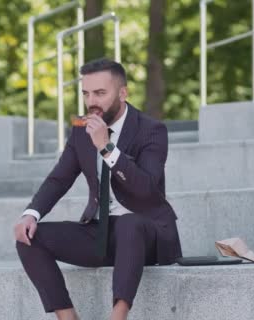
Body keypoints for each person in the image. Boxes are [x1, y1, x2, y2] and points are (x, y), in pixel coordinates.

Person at [14, 58, 182, 320]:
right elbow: (59, 179)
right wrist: (31, 214)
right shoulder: (82, 130)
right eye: (86, 93)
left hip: (148, 234)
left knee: (129, 224)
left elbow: (148, 188)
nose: (92, 101)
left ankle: (118, 315)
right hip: (103, 233)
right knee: (27, 237)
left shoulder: (151, 130)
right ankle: (67, 317)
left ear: (122, 93)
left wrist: (107, 148)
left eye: (100, 93)